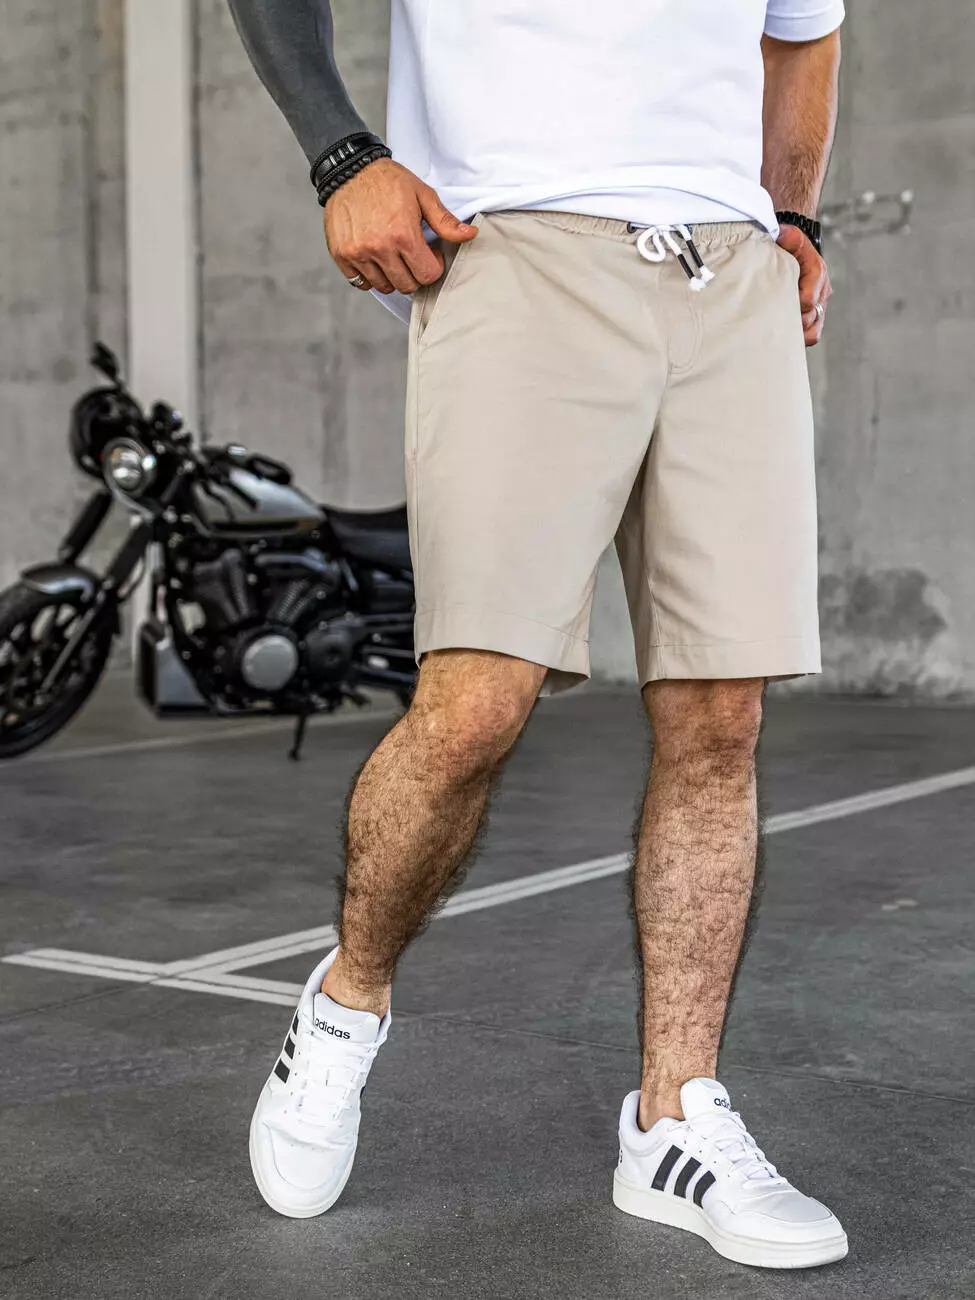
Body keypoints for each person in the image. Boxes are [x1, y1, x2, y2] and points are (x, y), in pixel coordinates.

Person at [228, 0, 846, 1270]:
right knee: (476, 706)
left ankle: (673, 1121)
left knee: (721, 718)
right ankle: (346, 1004)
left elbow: (804, 34)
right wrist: (343, 155)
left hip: (729, 268)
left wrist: (793, 220)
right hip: (514, 241)